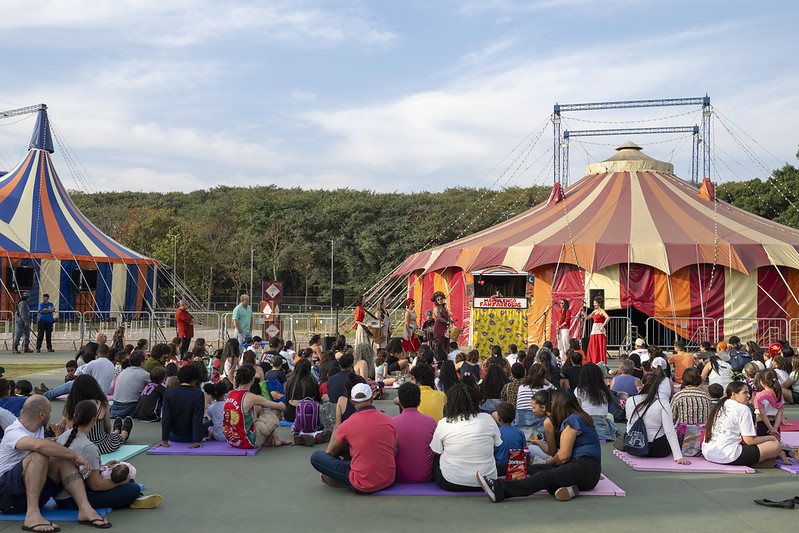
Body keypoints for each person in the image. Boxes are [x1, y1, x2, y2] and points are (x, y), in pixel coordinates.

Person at [0, 395, 111, 531]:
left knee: (62, 458)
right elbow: (39, 446)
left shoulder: (37, 429)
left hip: (27, 493)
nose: (51, 415)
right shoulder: (14, 432)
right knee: (40, 455)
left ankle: (85, 509)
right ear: (42, 414)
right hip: (6, 497)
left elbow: (47, 446)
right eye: (50, 412)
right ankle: (32, 515)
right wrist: (76, 455)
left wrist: (63, 446)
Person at [476, 389, 602, 503]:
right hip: (582, 468)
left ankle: (499, 489)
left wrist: (550, 462)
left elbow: (563, 456)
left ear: (560, 403)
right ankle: (570, 488)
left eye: (552, 402)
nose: (551, 405)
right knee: (533, 468)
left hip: (585, 468)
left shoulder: (574, 420)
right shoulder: (574, 418)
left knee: (543, 476)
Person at [55, 399, 162, 511]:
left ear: (74, 416)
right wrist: (122, 481)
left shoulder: (66, 435)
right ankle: (134, 497)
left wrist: (101, 467)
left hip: (62, 495)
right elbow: (96, 485)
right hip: (72, 499)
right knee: (132, 487)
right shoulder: (88, 447)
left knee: (124, 477)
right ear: (94, 419)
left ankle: (134, 497)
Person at [310, 383, 397, 493]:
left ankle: (336, 478)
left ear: (352, 402)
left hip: (361, 482)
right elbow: (393, 452)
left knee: (317, 456)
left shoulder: (347, 424)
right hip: (388, 480)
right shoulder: (389, 420)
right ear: (371, 399)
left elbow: (332, 452)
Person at [430, 383, 502, 491]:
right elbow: (498, 444)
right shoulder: (488, 419)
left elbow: (436, 451)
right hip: (486, 481)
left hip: (451, 482)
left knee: (436, 455)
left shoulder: (444, 423)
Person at [702, 382, 784, 467]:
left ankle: (758, 460)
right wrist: (772, 438)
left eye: (749, 393)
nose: (748, 395)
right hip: (728, 455)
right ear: (734, 394)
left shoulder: (721, 405)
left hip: (709, 453)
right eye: (745, 393)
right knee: (776, 446)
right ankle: (755, 461)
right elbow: (750, 441)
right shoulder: (743, 409)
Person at [624, 373, 689, 464]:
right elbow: (669, 431)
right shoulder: (663, 403)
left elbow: (629, 423)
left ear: (642, 385)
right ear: (658, 387)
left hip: (631, 444)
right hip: (656, 449)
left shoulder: (630, 400)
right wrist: (678, 457)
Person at [223, 365, 290, 449]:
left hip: (232, 440)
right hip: (247, 441)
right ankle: (269, 440)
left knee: (257, 407)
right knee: (276, 409)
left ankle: (274, 438)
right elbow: (280, 406)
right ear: (252, 379)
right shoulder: (251, 397)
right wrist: (281, 404)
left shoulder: (231, 393)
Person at [393, 382, 436, 483]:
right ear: (419, 402)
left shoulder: (392, 423)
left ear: (400, 403)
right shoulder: (431, 421)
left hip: (399, 476)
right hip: (426, 476)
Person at [160, 364, 205, 448]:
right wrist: (196, 441)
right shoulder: (198, 394)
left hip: (173, 436)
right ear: (194, 380)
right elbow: (197, 419)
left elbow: (166, 417)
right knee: (209, 423)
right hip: (191, 437)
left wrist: (164, 439)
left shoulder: (169, 393)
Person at [575, 363, 619, 440]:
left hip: (585, 424)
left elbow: (577, 410)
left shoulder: (579, 390)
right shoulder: (604, 390)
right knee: (610, 418)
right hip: (602, 426)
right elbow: (605, 412)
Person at [109, 351, 150, 418]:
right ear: (142, 362)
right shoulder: (145, 374)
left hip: (116, 405)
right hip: (130, 407)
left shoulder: (124, 371)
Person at [493, 402, 527, 477]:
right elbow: (524, 452)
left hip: (499, 470)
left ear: (499, 418)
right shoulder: (520, 433)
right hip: (515, 470)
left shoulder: (496, 433)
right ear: (514, 416)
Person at [284, 359, 321, 423]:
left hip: (291, 413)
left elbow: (287, 399)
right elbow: (317, 398)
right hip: (308, 413)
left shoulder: (291, 381)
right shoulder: (312, 380)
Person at [753, 369, 785, 438]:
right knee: (776, 445)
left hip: (763, 424)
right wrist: (775, 429)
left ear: (762, 382)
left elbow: (762, 414)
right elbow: (780, 414)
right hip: (775, 423)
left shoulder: (760, 395)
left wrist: (771, 429)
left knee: (764, 445)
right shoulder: (779, 395)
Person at [581, 297, 609, 364]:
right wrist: (584, 312)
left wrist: (602, 326)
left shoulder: (602, 311)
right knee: (593, 345)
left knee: (599, 346)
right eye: (594, 303)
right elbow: (587, 317)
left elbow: (608, 318)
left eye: (595, 303)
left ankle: (600, 361)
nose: (594, 305)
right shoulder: (594, 311)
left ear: (599, 304)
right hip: (594, 330)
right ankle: (593, 360)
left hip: (600, 330)